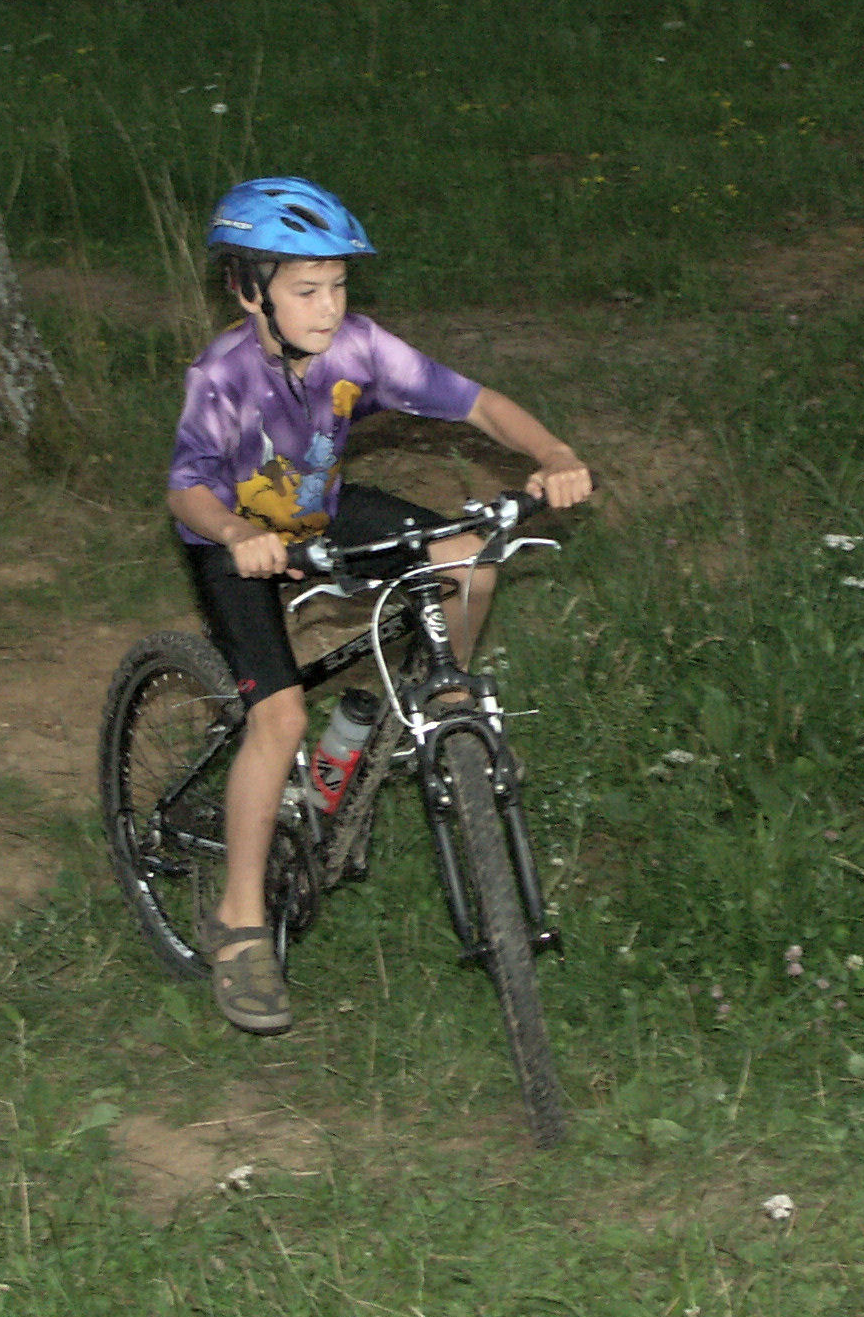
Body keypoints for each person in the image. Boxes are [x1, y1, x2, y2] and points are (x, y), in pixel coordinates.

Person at [166, 176, 593, 1034]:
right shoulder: (222, 374)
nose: (329, 308)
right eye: (306, 290)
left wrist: (552, 453)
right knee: (279, 719)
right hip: (233, 539)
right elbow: (186, 490)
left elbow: (481, 405)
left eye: (337, 286)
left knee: (469, 556)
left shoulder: (357, 347)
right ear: (249, 290)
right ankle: (239, 921)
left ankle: (438, 699)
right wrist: (238, 535)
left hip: (318, 512)